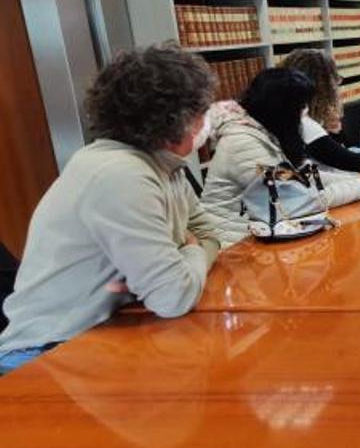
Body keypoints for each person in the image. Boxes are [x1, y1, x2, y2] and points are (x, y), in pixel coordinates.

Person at [0, 44, 220, 374]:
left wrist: (184, 255)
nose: (206, 122)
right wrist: (187, 252)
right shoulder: (120, 174)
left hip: (111, 332)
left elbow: (209, 235)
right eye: (202, 112)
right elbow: (173, 296)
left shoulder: (163, 165)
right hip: (49, 352)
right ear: (179, 119)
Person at [203, 68, 360, 246]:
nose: (304, 113)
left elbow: (299, 176)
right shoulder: (243, 143)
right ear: (283, 109)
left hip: (267, 233)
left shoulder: (266, 130)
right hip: (235, 246)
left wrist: (357, 178)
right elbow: (300, 200)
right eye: (300, 107)